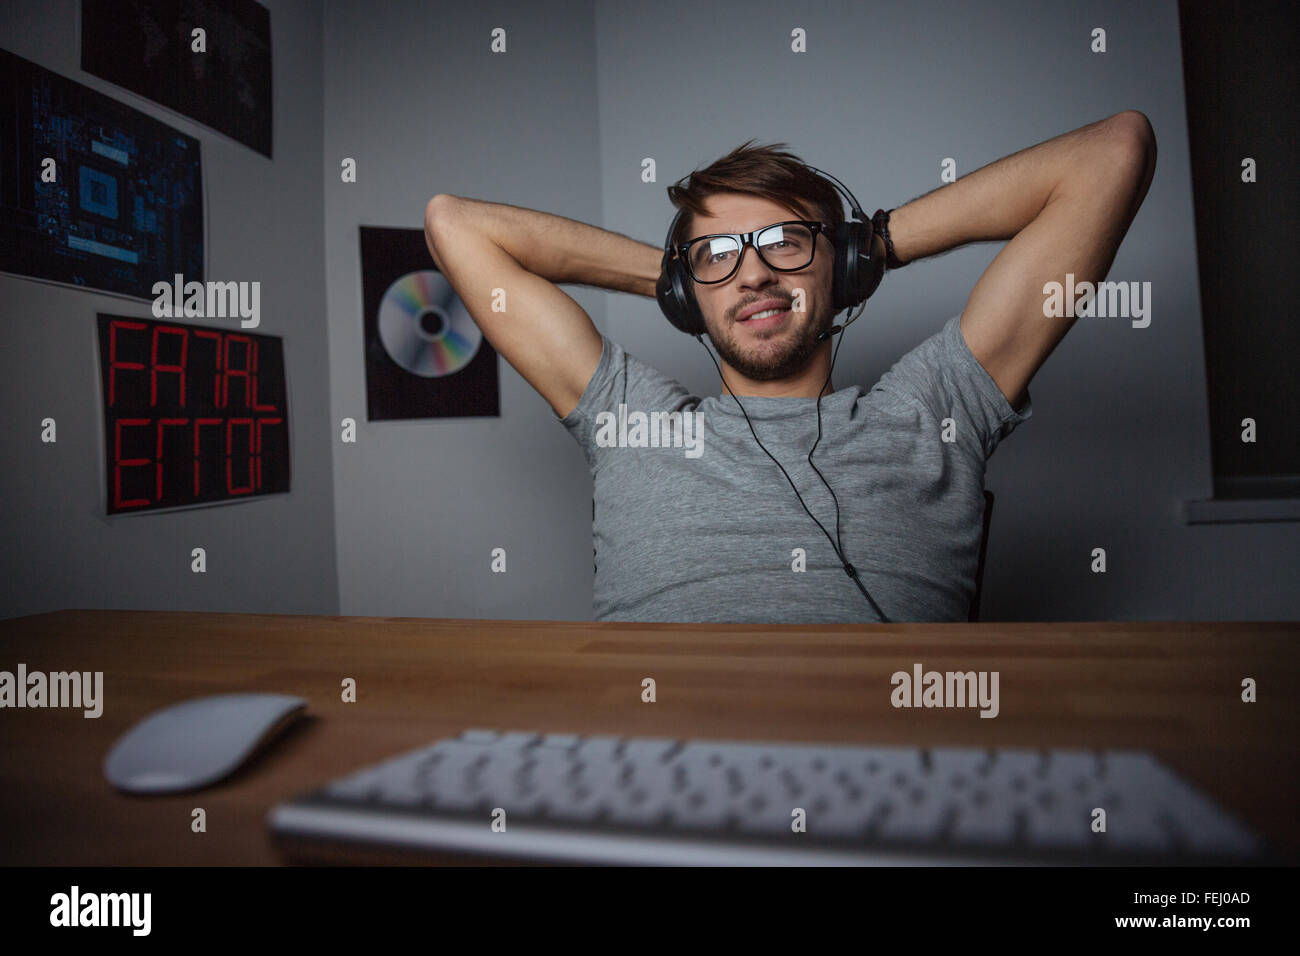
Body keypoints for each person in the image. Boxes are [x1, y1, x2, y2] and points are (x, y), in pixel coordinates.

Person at [423, 111, 1156, 623]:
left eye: (786, 243)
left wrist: (870, 244)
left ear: (841, 269)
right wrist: (678, 271)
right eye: (719, 256)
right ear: (684, 294)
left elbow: (1113, 152)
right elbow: (456, 225)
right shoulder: (631, 418)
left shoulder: (937, 408)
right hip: (659, 780)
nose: (754, 276)